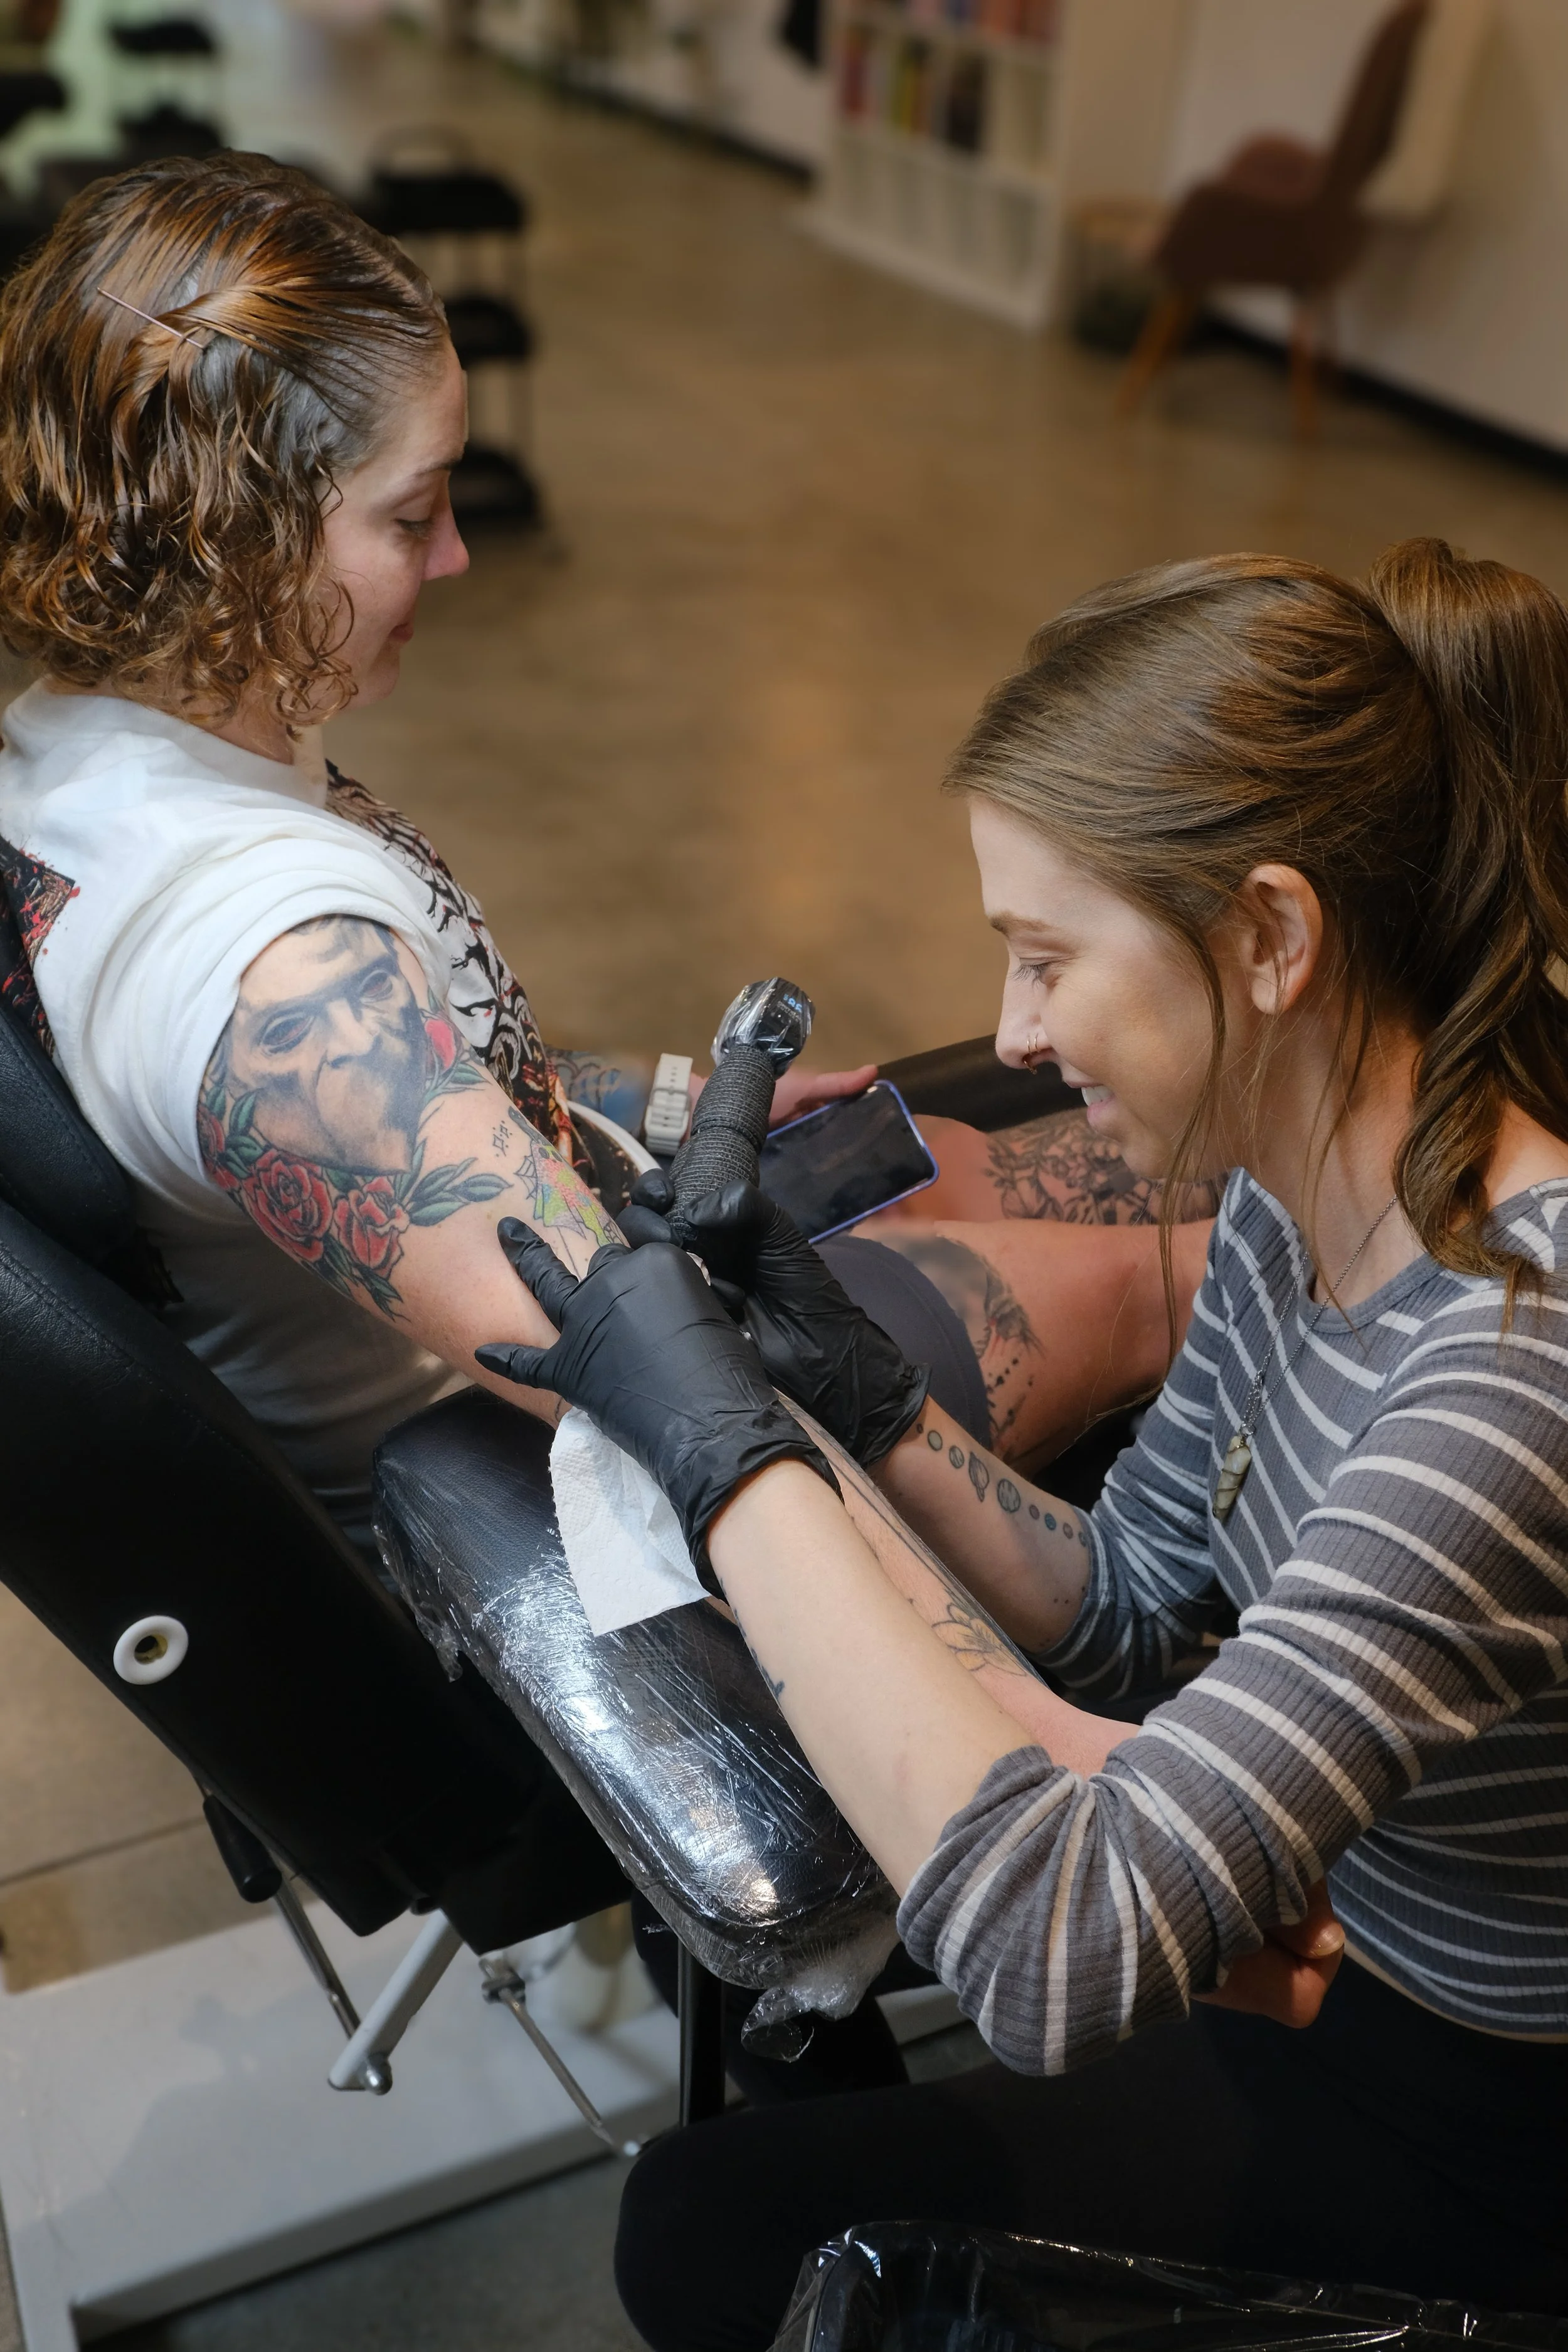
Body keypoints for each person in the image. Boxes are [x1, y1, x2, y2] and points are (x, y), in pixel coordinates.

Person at [483, 540, 1568, 2348]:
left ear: (1274, 937)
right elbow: (1136, 1605)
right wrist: (860, 1401)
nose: (1012, 1032)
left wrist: (724, 1453)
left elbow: (1055, 1951)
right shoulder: (1298, 1207)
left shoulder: (1504, 1372)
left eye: (1048, 959)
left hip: (1491, 2114)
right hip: (1354, 1970)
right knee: (736, 2197)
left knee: (717, 2239)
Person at [0, 151, 888, 1549]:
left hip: (544, 1363)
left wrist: (666, 1106)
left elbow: (428, 1088)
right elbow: (669, 1410)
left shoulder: (82, 741)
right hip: (548, 1528)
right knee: (1118, 1275)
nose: (460, 557)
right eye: (412, 516)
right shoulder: (274, 952)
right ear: (234, 535)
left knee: (935, 1153)